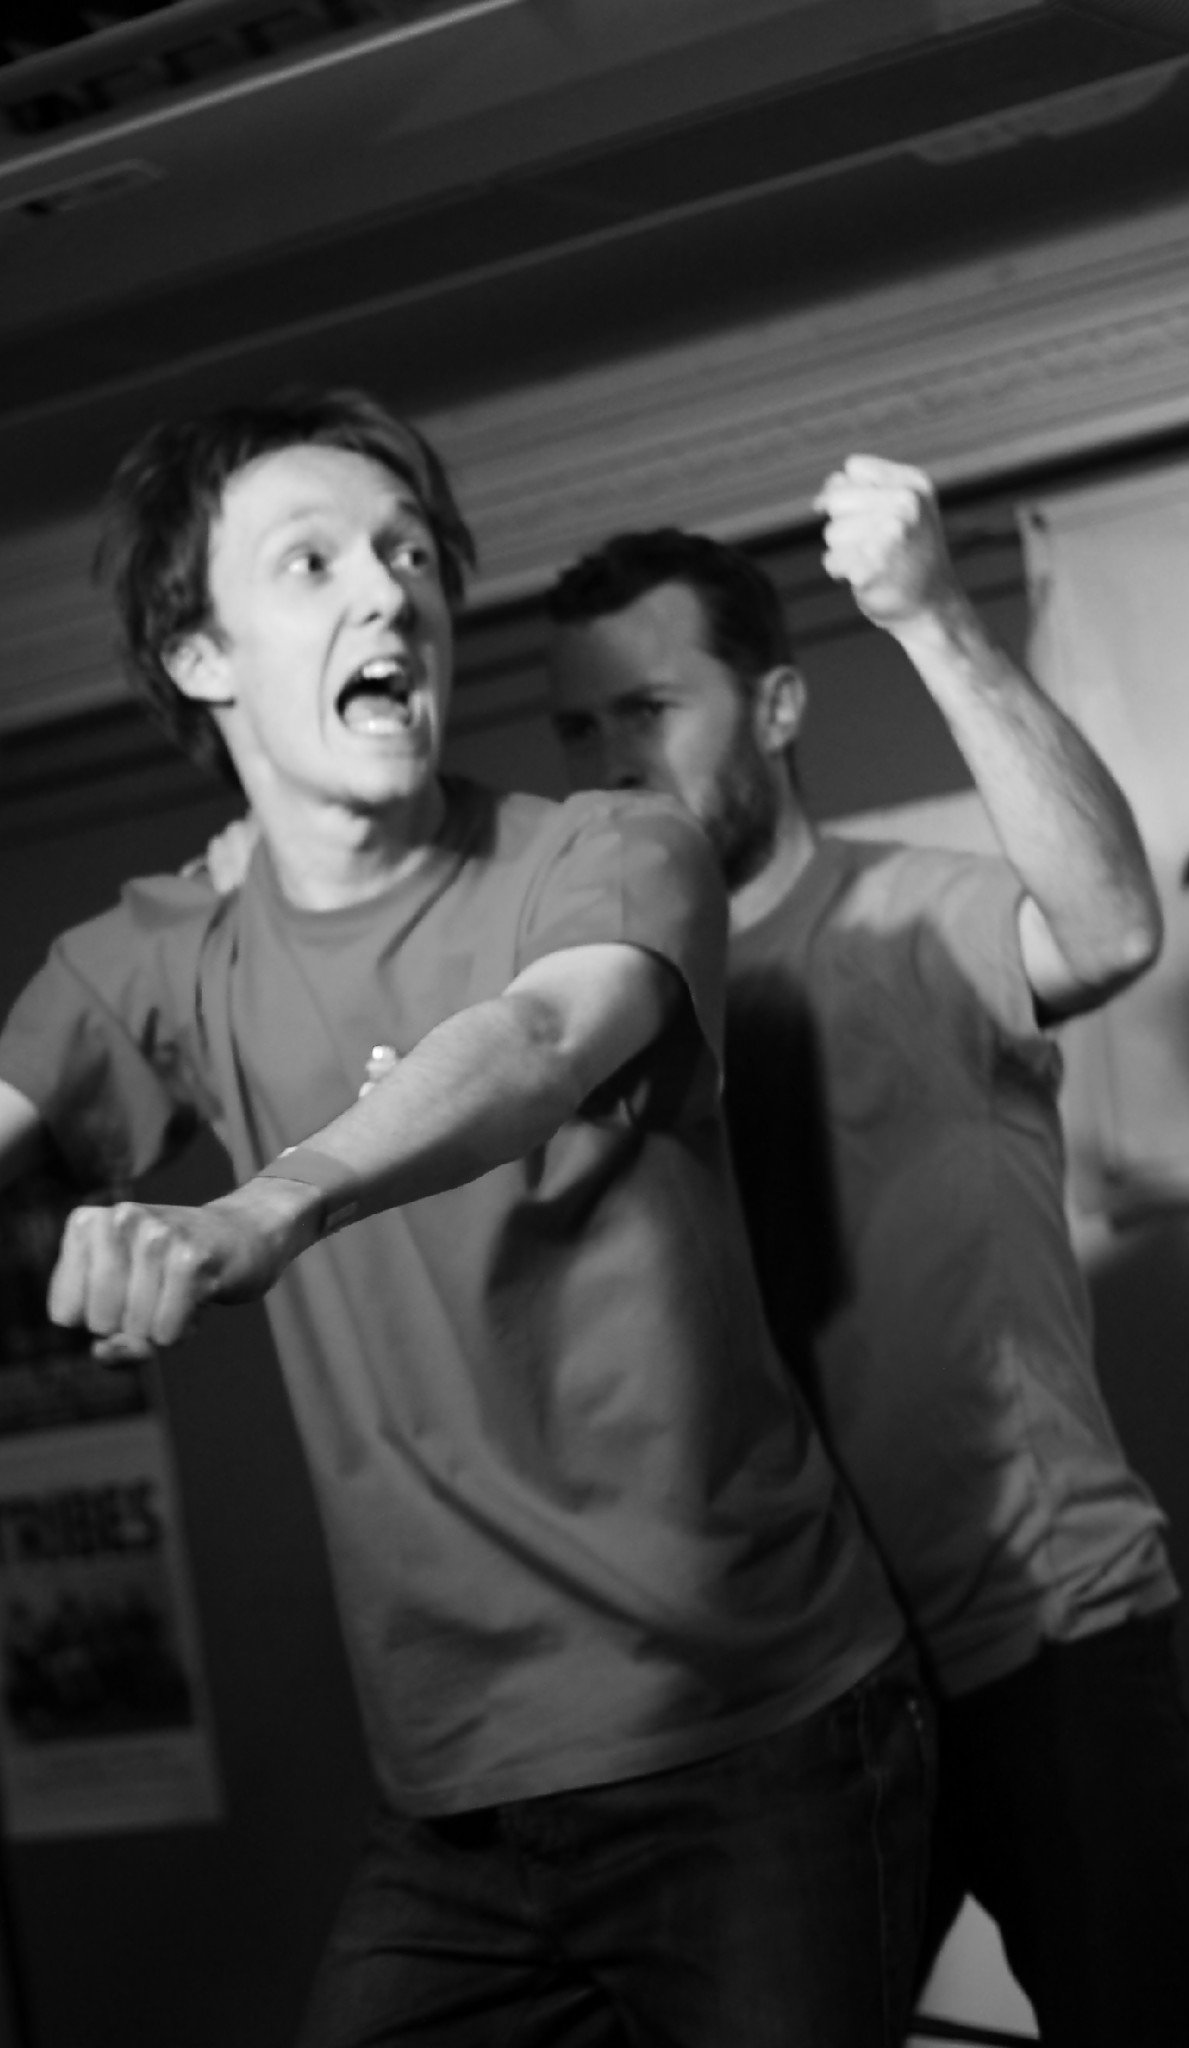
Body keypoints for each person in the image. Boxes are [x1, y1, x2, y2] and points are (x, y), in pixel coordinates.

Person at [0, 395, 930, 2047]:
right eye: (314, 562)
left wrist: (262, 1208)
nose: (389, 593)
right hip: (455, 1802)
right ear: (202, 656)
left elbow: (538, 1041)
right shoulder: (158, 960)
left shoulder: (609, 849)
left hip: (750, 1735)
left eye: (410, 555)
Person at [545, 454, 1189, 2048]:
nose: (612, 758)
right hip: (796, 1697)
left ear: (774, 707)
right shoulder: (590, 1010)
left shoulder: (911, 915)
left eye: (650, 709)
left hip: (1042, 1634)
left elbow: (1110, 929)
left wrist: (930, 615)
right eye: (579, 727)